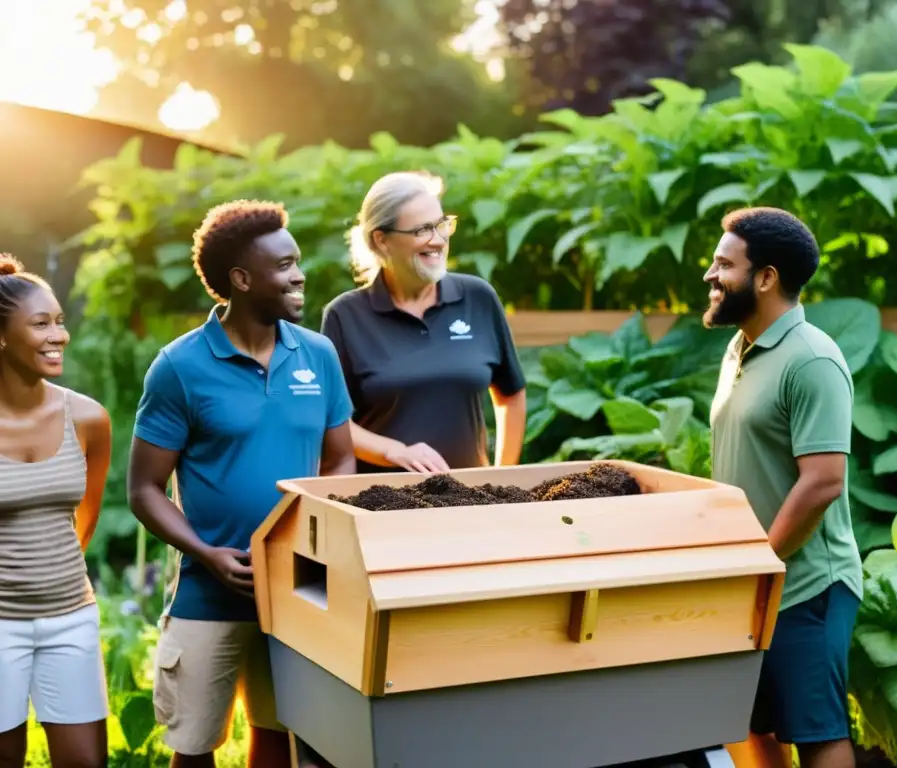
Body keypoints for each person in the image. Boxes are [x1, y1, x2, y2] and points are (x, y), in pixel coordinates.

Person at [127, 201, 357, 768]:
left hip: (300, 585)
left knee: (281, 733)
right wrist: (206, 554)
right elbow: (144, 489)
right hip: (209, 593)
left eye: (297, 260)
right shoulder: (180, 367)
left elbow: (342, 460)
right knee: (195, 746)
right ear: (241, 279)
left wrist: (307, 542)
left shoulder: (319, 354)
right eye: (284, 265)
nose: (299, 274)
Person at [702, 207, 862, 768]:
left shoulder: (813, 359)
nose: (710, 275)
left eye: (724, 264)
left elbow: (822, 483)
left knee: (816, 731)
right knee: (750, 723)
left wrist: (763, 563)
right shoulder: (739, 349)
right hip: (755, 580)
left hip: (806, 585)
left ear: (765, 277)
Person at [320, 171, 527, 474]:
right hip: (380, 507)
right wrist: (394, 452)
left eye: (442, 225)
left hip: (468, 504)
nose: (438, 240)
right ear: (382, 241)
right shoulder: (345, 315)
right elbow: (331, 422)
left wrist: (502, 480)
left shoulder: (477, 297)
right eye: (422, 230)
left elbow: (511, 395)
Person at [0, 254, 112, 768]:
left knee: (86, 763)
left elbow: (84, 518)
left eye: (60, 321)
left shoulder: (87, 417)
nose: (59, 335)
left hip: (71, 615)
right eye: (41, 323)